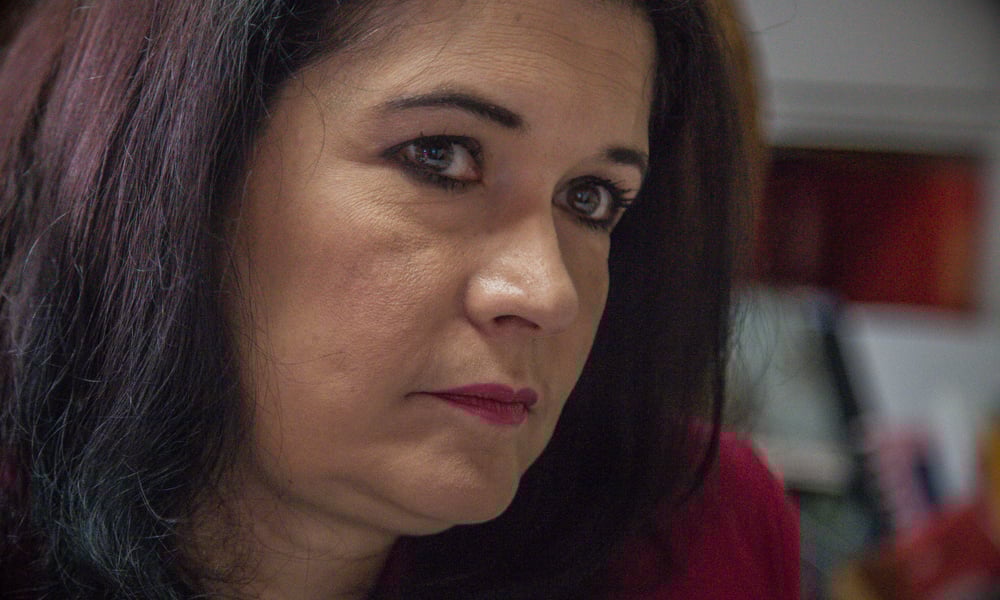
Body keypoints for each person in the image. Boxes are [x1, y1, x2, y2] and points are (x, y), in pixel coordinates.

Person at [0, 0, 799, 598]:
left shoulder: (697, 537)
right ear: (187, 164)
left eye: (590, 199)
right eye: (440, 156)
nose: (548, 291)